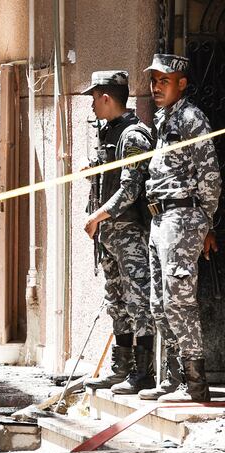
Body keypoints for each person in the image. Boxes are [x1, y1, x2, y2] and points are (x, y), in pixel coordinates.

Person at [139, 54, 221, 403]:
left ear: (181, 84)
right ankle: (172, 379)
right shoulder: (164, 119)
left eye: (164, 80)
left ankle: (195, 382)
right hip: (160, 219)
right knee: (159, 302)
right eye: (154, 80)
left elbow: (210, 177)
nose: (157, 87)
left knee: (178, 300)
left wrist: (203, 222)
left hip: (181, 218)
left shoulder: (191, 118)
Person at [80, 71, 156, 395]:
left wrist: (97, 216)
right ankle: (121, 369)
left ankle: (144, 373)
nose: (93, 105)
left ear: (106, 97)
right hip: (109, 235)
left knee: (138, 301)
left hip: (129, 233)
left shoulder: (134, 135)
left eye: (95, 98)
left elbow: (130, 191)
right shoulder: (108, 132)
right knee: (117, 302)